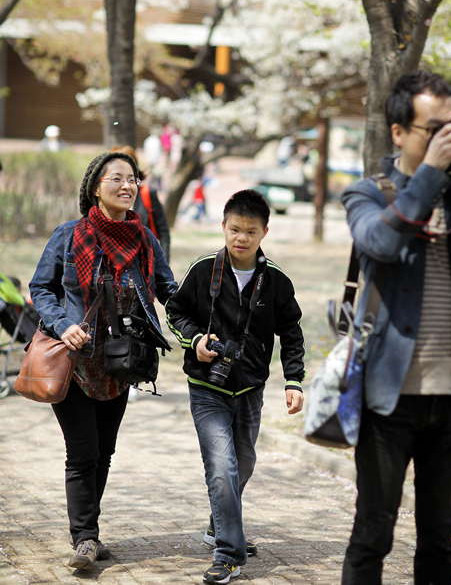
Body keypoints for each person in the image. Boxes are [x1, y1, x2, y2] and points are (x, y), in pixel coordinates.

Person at [340, 69, 451, 585]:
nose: (446, 138)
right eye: (433, 129)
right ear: (399, 132)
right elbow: (381, 245)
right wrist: (430, 175)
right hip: (389, 398)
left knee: (440, 538)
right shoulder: (367, 193)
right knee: (374, 532)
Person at [29, 152, 177, 570]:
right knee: (83, 453)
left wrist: (206, 305)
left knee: (105, 452)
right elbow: (41, 287)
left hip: (121, 363)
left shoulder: (145, 240)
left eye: (132, 179)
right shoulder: (69, 234)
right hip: (75, 362)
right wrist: (62, 324)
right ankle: (86, 539)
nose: (127, 186)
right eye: (117, 178)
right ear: (96, 186)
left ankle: (88, 531)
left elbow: (169, 290)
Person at [166, 189, 305, 584]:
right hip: (206, 386)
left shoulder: (276, 280)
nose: (240, 238)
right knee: (222, 466)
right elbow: (175, 311)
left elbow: (291, 333)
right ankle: (229, 552)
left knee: (243, 464)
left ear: (264, 232)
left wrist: (293, 379)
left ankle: (217, 526)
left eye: (249, 231)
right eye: (233, 229)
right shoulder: (203, 269)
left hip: (250, 388)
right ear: (223, 226)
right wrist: (195, 341)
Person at [108, 145, 170, 263]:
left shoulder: (147, 194)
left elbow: (164, 233)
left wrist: (163, 266)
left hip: (144, 266)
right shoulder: (104, 198)